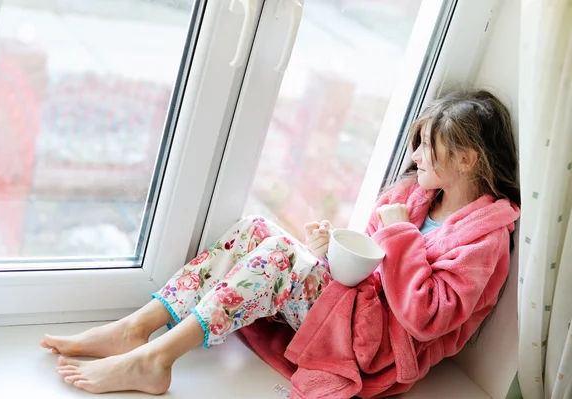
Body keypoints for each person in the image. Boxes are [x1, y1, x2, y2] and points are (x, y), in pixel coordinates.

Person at [39, 90, 521, 397]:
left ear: (466, 160)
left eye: (426, 146)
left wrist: (396, 235)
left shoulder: (485, 241)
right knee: (255, 230)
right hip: (354, 311)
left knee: (275, 259)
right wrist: (330, 251)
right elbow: (374, 268)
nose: (415, 157)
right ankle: (136, 328)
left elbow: (425, 317)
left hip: (378, 349)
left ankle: (155, 360)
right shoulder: (414, 198)